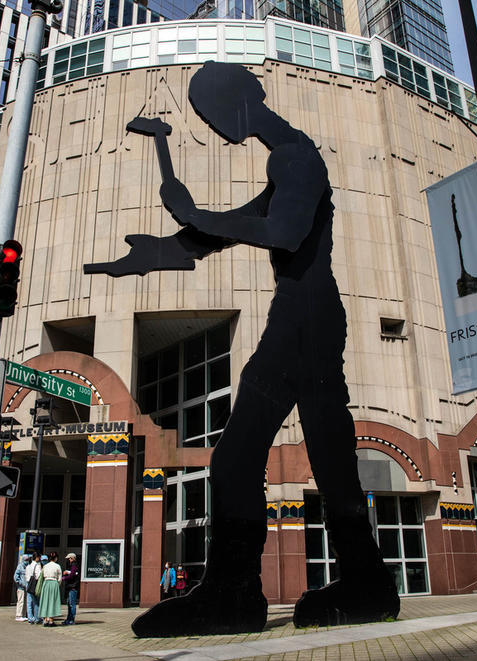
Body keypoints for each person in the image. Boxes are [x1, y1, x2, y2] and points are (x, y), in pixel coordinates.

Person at [90, 61, 400, 637]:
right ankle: (362, 580)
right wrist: (157, 249)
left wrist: (197, 216)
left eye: (211, 115)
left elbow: (282, 231)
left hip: (303, 320)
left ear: (238, 103)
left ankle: (235, 593)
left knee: (241, 457)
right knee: (329, 456)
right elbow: (227, 228)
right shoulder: (287, 159)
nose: (215, 128)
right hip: (307, 318)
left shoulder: (294, 157)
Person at [38, 552, 63, 626]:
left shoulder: (45, 566)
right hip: (54, 582)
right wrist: (58, 584)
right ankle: (51, 620)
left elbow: (42, 575)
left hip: (46, 583)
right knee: (53, 601)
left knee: (45, 600)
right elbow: (60, 578)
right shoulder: (57, 566)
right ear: (56, 558)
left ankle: (45, 619)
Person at [61, 552, 80, 625]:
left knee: (72, 604)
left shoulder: (74, 566)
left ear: (72, 558)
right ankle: (69, 619)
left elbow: (72, 575)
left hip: (73, 587)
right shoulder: (72, 566)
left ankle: (71, 619)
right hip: (70, 587)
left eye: (69, 558)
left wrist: (63, 578)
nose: (68, 560)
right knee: (69, 604)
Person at [24, 551, 43, 625]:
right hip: (34, 584)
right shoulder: (37, 566)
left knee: (29, 602)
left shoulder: (28, 566)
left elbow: (26, 576)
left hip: (29, 584)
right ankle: (37, 618)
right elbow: (38, 576)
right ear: (37, 557)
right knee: (36, 602)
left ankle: (30, 618)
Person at [13, 553, 30, 621]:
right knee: (20, 601)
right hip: (21, 588)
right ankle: (18, 615)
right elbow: (16, 577)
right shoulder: (20, 566)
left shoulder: (28, 566)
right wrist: (21, 583)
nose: (27, 561)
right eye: (26, 559)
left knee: (25, 602)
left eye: (28, 559)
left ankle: (23, 615)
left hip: (26, 588)